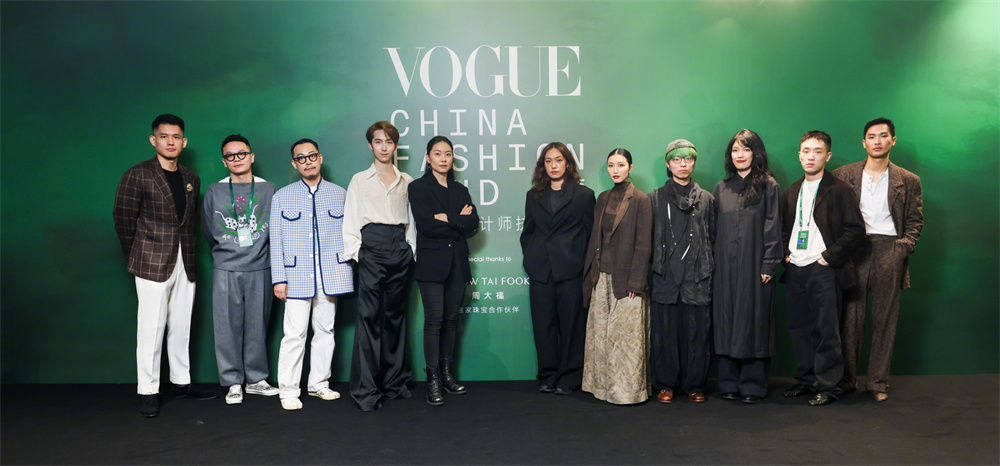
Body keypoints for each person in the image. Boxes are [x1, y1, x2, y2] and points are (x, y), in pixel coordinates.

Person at [113, 114, 215, 418]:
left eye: (176, 137)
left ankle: (182, 382)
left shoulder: (191, 177)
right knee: (151, 328)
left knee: (181, 326)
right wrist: (136, 256)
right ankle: (148, 391)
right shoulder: (137, 174)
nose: (170, 142)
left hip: (186, 261)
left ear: (184, 142)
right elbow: (123, 218)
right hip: (150, 261)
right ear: (153, 140)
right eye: (164, 136)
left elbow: (188, 223)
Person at [833, 118, 923, 401]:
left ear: (892, 140)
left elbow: (915, 220)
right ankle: (847, 380)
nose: (877, 141)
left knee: (885, 320)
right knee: (850, 318)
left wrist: (903, 248)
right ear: (864, 143)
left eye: (883, 136)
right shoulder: (842, 175)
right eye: (871, 137)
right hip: (854, 249)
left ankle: (877, 383)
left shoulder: (908, 180)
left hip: (889, 248)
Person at [780, 131, 865, 406]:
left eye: (817, 151)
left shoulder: (839, 190)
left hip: (823, 269)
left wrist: (829, 256)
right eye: (806, 151)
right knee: (800, 328)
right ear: (799, 155)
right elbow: (783, 229)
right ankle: (807, 380)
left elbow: (855, 230)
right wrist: (785, 255)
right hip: (796, 269)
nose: (811, 156)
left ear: (827, 156)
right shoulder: (792, 191)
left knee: (826, 330)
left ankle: (828, 386)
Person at [270, 138, 353, 411]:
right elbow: (276, 240)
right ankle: (288, 390)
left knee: (326, 330)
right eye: (301, 158)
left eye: (312, 156)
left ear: (320, 158)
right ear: (295, 164)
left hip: (330, 275)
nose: (308, 162)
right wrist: (279, 278)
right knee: (294, 334)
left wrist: (344, 270)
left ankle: (319, 384)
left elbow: (350, 235)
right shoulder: (282, 196)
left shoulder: (340, 194)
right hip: (295, 276)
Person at [343, 121, 417, 412]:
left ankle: (395, 383)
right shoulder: (359, 180)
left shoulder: (407, 180)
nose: (384, 147)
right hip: (371, 248)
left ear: (395, 146)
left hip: (400, 248)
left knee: (396, 316)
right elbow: (351, 219)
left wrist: (410, 250)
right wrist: (358, 253)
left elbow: (412, 221)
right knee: (369, 318)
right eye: (378, 141)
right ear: (370, 145)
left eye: (389, 142)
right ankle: (367, 391)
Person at [201, 134, 280, 404]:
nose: (237, 159)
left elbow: (277, 229)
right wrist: (228, 249)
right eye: (230, 155)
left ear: (251, 156)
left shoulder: (269, 189)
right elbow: (208, 230)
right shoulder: (215, 190)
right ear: (224, 161)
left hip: (260, 266)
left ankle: (256, 379)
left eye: (242, 153)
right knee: (226, 326)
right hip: (226, 267)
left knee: (258, 325)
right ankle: (233, 382)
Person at [408, 136, 480, 406]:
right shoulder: (418, 187)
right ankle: (433, 380)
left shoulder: (460, 190)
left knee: (451, 320)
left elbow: (473, 224)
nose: (443, 159)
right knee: (434, 320)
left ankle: (447, 375)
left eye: (448, 154)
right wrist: (458, 221)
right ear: (428, 158)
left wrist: (447, 218)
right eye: (437, 153)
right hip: (431, 265)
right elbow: (426, 225)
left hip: (457, 264)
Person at [712, 129, 782, 404]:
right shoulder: (721, 188)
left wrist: (769, 264)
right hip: (724, 267)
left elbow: (773, 226)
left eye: (746, 149)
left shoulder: (768, 186)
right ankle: (728, 382)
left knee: (754, 320)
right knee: (726, 320)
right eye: (735, 150)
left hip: (756, 267)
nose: (740, 155)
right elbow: (713, 230)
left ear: (756, 153)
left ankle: (753, 383)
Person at [520, 142, 595, 395]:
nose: (554, 165)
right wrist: (531, 258)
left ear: (568, 163)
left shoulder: (584, 195)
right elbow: (527, 233)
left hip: (571, 269)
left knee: (572, 325)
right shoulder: (533, 195)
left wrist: (581, 263)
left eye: (559, 160)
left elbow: (590, 235)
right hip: (541, 270)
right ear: (543, 166)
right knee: (543, 325)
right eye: (548, 161)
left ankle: (570, 377)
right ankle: (547, 375)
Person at [581, 148, 653, 405]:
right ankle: (601, 388)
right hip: (601, 277)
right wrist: (592, 274)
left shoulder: (641, 199)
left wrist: (636, 281)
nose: (615, 170)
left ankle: (627, 393)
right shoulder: (602, 198)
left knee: (625, 339)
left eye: (621, 165)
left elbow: (644, 245)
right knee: (601, 336)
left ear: (630, 168)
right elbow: (596, 239)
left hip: (628, 281)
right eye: (611, 165)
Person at [648, 139, 715, 404]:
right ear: (668, 164)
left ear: (694, 162)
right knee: (665, 333)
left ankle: (694, 385)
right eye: (676, 160)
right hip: (665, 276)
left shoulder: (707, 199)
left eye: (688, 159)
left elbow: (713, 237)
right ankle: (666, 385)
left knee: (696, 334)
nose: (682, 164)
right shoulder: (655, 198)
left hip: (696, 277)